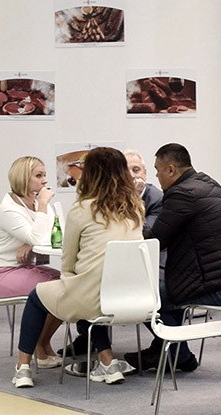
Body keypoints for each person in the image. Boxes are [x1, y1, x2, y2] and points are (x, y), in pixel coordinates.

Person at [11, 147, 145, 388]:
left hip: (92, 297)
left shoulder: (83, 209)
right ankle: (108, 362)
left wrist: (72, 282)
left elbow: (68, 260)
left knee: (38, 296)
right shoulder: (136, 208)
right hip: (132, 297)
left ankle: (22, 368)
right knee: (91, 290)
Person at [135, 143, 221, 374]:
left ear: (171, 169)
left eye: (158, 170)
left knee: (143, 295)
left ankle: (178, 354)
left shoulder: (181, 194)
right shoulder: (205, 182)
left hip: (219, 286)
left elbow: (156, 241)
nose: (156, 176)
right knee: (165, 286)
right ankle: (166, 351)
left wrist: (130, 218)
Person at [0, 157, 61, 369]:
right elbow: (39, 236)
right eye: (39, 175)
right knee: (57, 288)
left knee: (67, 284)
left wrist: (29, 241)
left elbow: (54, 232)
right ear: (23, 178)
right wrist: (42, 208)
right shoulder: (8, 209)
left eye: (44, 175)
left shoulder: (34, 204)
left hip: (22, 268)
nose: (45, 181)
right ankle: (39, 346)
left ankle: (41, 343)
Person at [126, 149, 163, 233]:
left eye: (136, 170)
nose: (131, 175)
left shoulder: (157, 199)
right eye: (125, 171)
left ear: (145, 173)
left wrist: (134, 196)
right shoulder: (113, 195)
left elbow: (145, 231)